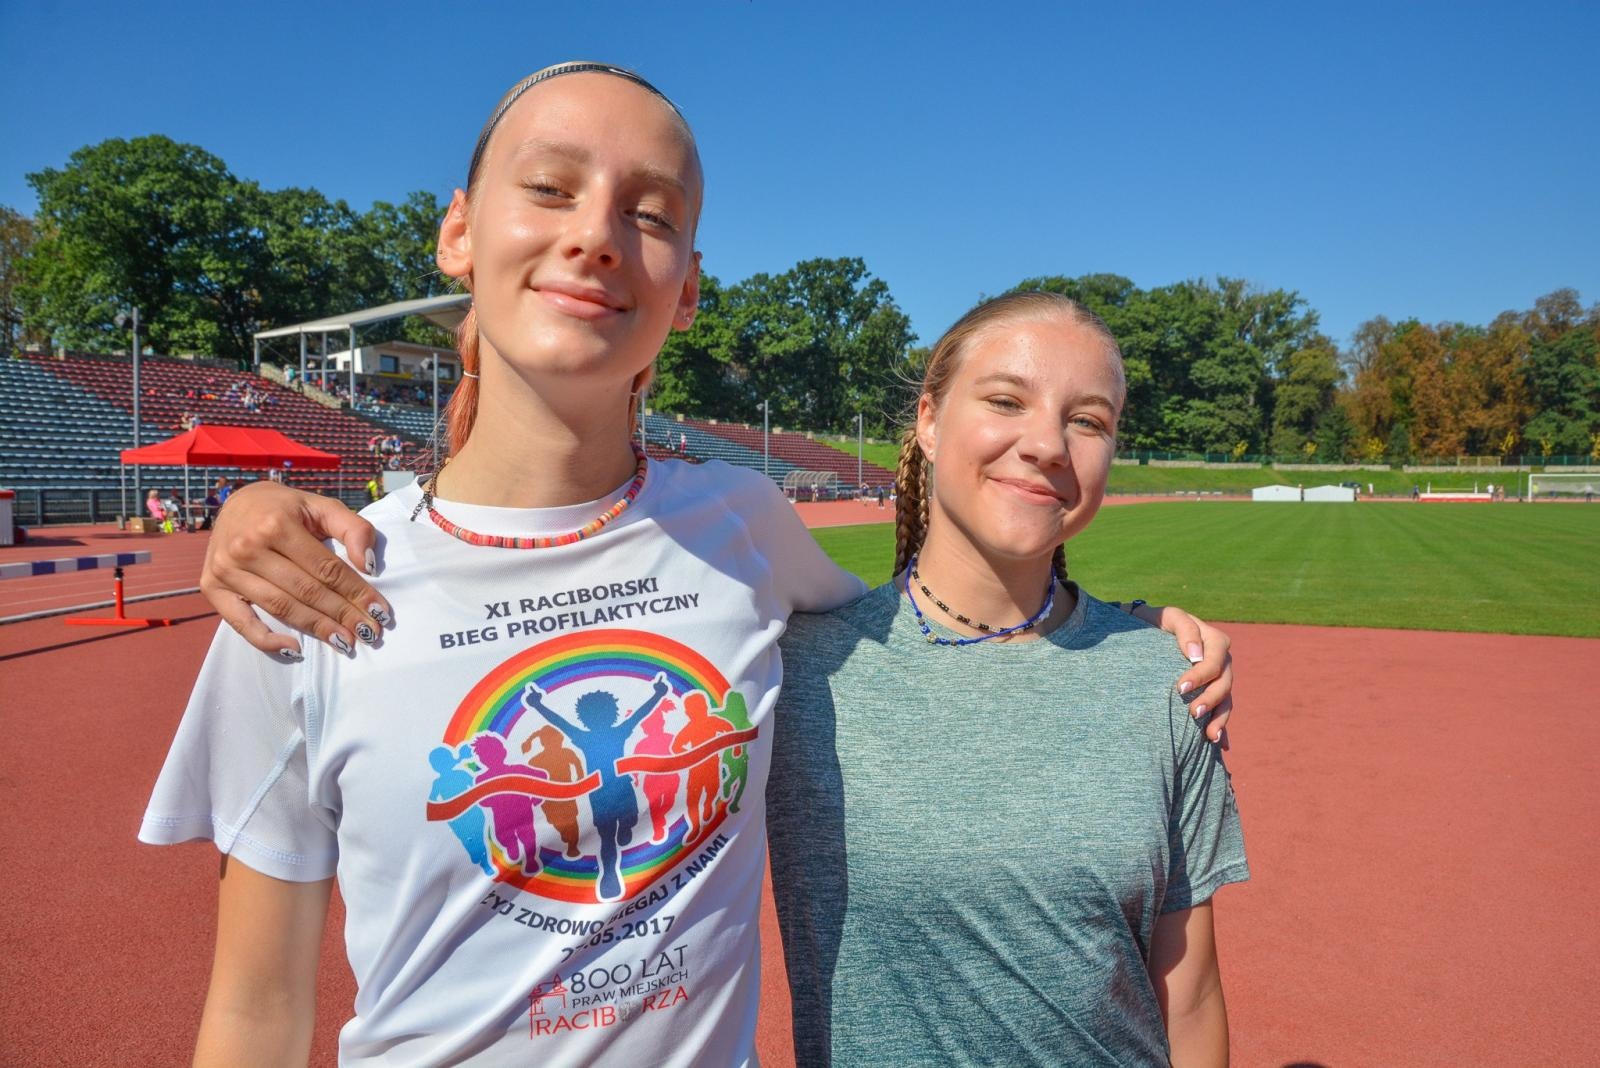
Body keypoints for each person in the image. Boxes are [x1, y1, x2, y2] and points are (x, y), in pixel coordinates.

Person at [152, 63, 1235, 1066]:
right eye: (550, 187)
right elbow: (253, 1008)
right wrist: (245, 507)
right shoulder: (299, 594)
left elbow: (935, 633)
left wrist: (1126, 635)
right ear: (458, 233)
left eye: (650, 214)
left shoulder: (744, 530)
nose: (597, 236)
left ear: (688, 289)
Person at [769, 292, 1247, 1064]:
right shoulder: (799, 669)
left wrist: (1142, 631)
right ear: (928, 420)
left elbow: (1188, 996)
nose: (1049, 444)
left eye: (1088, 420)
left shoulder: (1166, 680)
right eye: (1006, 400)